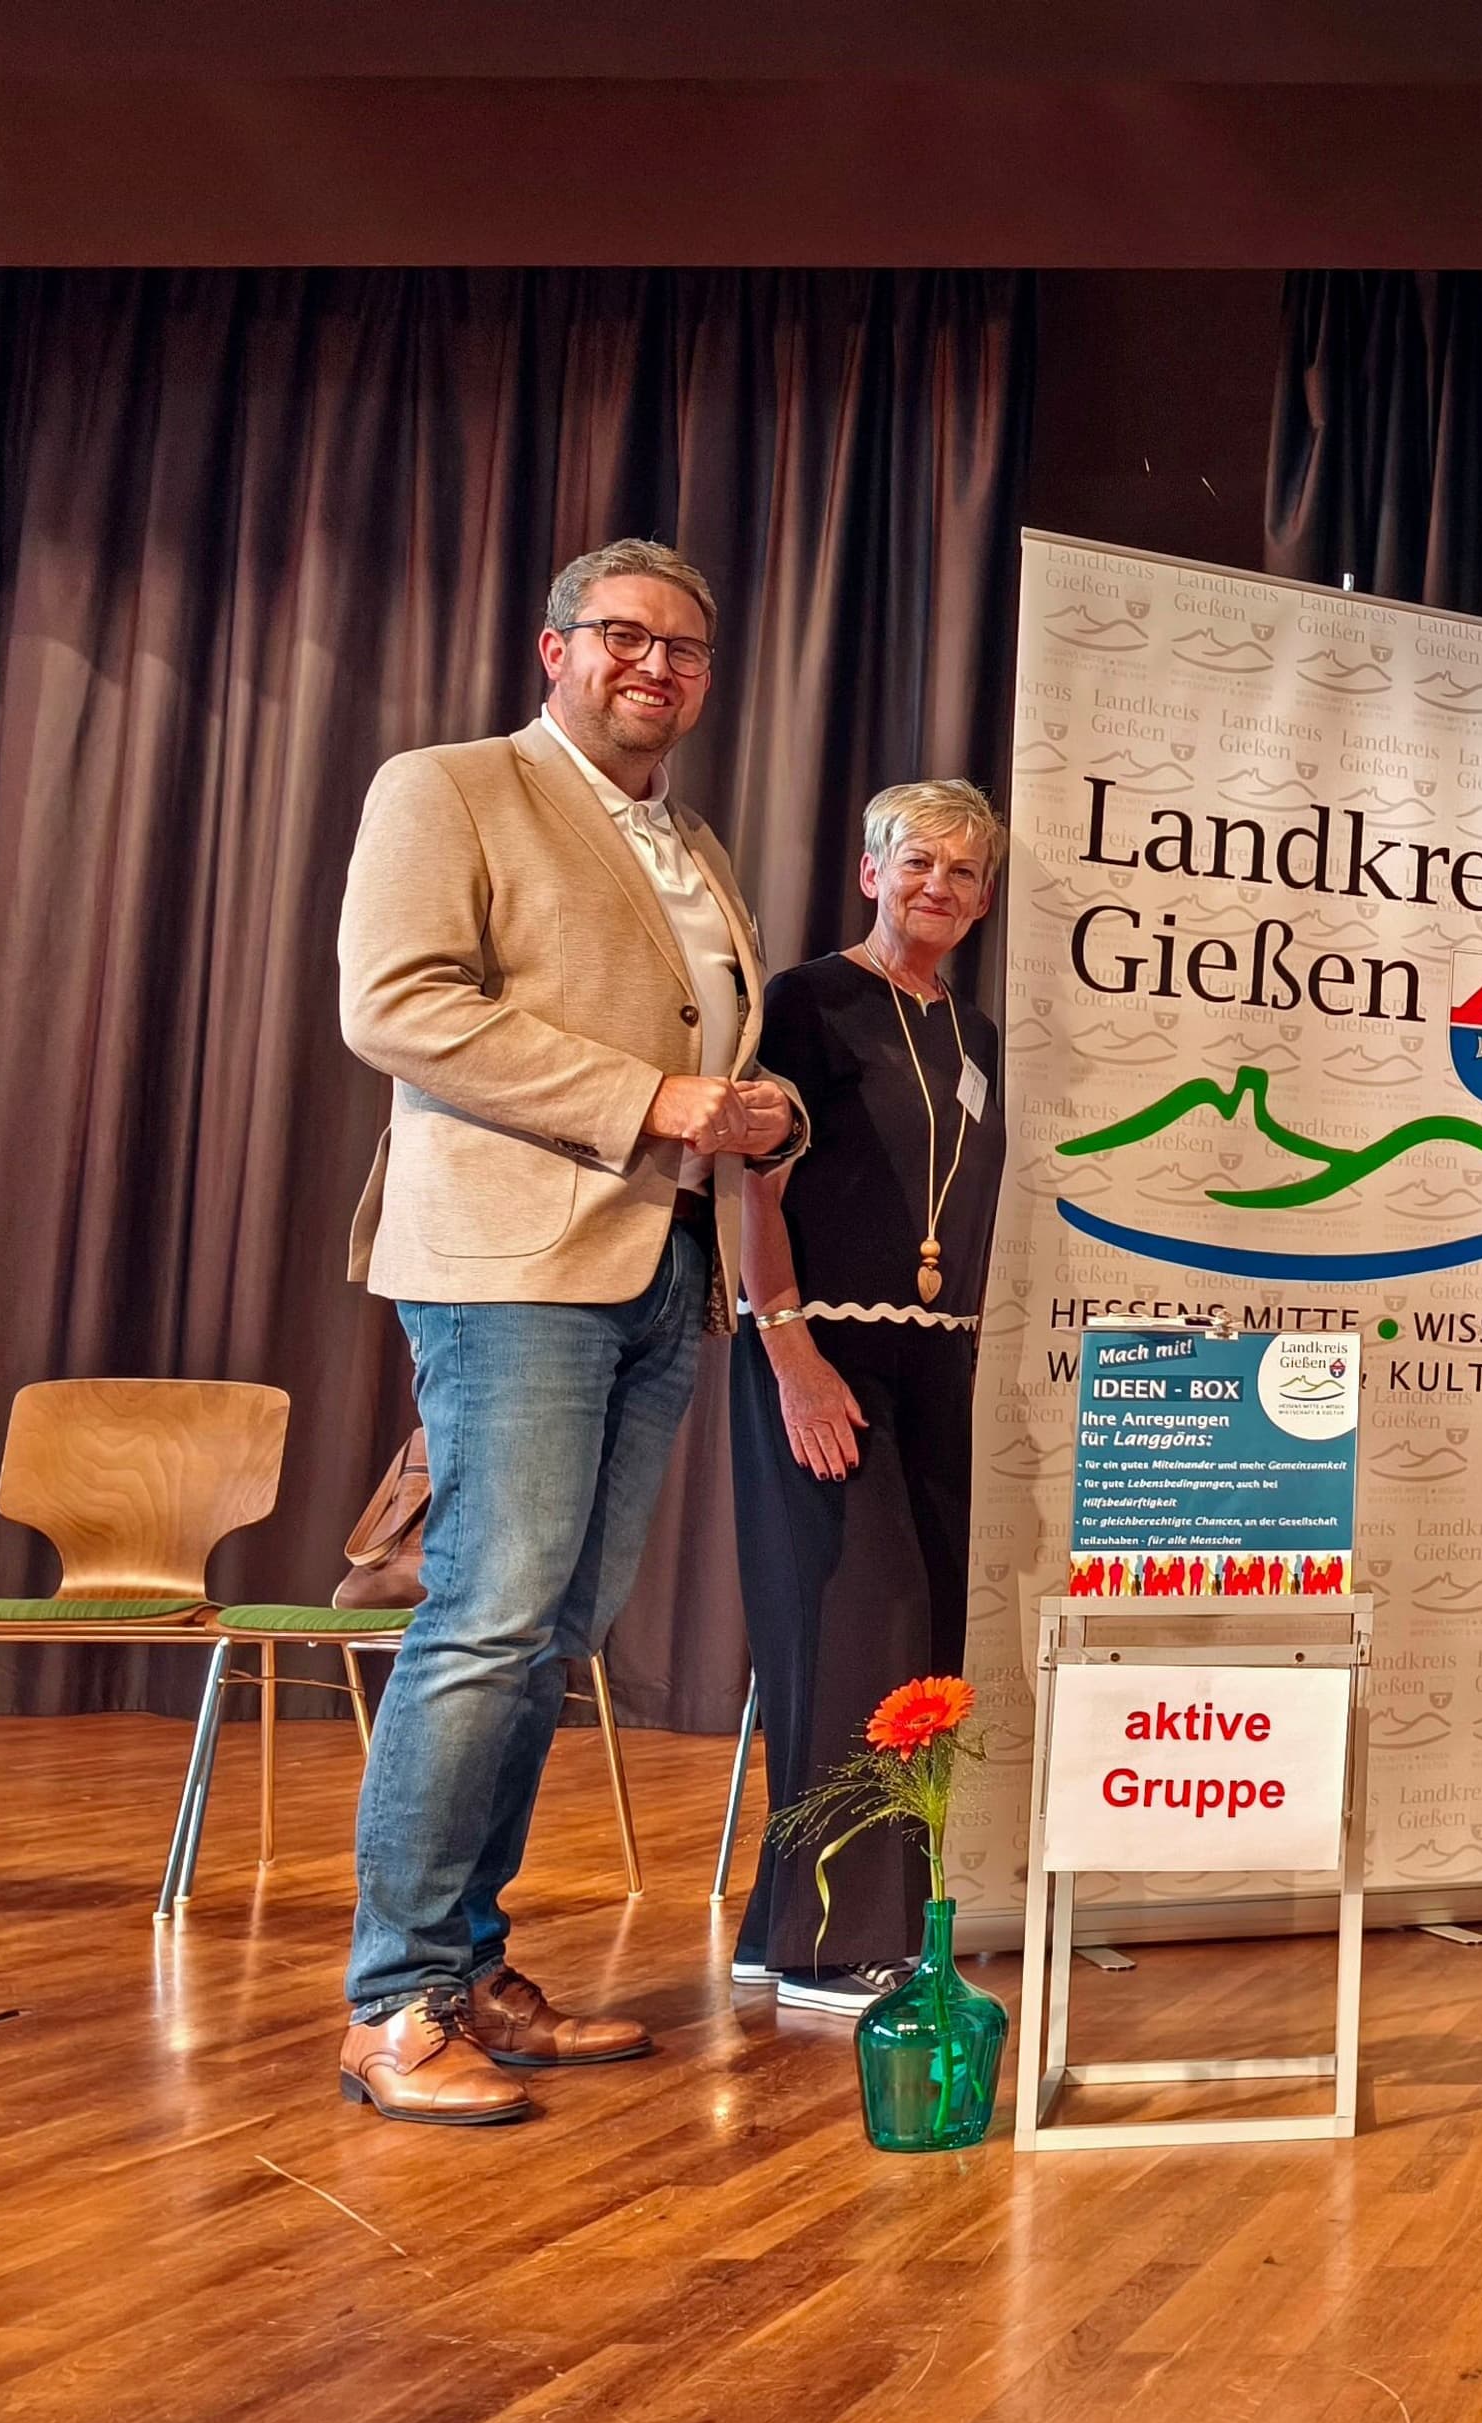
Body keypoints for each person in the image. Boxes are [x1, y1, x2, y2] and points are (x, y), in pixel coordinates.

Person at [333, 539, 803, 2124]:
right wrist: (655, 1100)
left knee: (555, 1632)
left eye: (684, 648)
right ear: (554, 650)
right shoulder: (450, 787)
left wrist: (756, 1106)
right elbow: (399, 1003)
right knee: (486, 1618)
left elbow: (703, 1030)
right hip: (515, 1264)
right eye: (622, 636)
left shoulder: (693, 842)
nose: (655, 666)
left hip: (663, 1265)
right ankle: (394, 2003)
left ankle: (469, 1966)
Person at [724, 780, 1006, 2014]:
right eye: (918, 862)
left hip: (937, 1361)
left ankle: (783, 1923)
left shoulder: (973, 1032)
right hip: (822, 1350)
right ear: (870, 870)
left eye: (964, 872)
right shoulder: (806, 1001)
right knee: (859, 1630)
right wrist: (790, 1354)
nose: (939, 886)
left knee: (919, 1639)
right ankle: (841, 1946)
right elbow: (751, 1187)